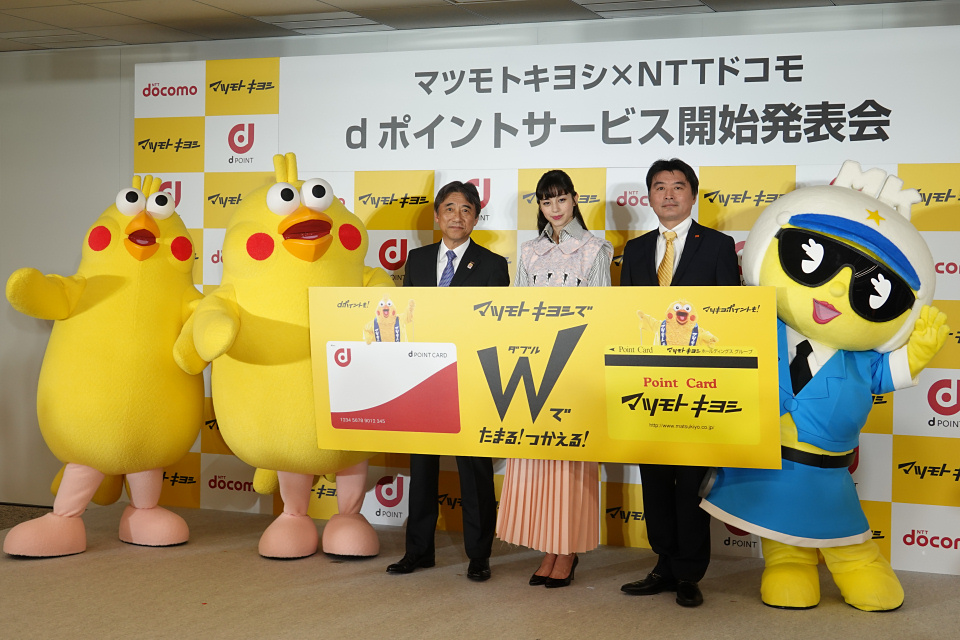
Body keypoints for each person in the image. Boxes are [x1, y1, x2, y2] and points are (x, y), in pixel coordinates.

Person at [618, 158, 740, 607]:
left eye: (678, 186)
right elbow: (626, 319)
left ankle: (689, 573)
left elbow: (730, 318)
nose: (668, 194)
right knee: (654, 480)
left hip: (698, 387)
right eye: (659, 187)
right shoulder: (634, 250)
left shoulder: (718, 246)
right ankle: (663, 565)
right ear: (649, 196)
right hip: (648, 386)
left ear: (693, 194)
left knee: (690, 482)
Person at [385, 180, 509, 582]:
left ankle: (479, 555)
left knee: (474, 473)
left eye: (466, 209)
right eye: (450, 208)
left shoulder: (493, 265)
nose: (458, 216)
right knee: (422, 469)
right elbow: (407, 318)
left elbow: (496, 328)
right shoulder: (417, 259)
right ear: (438, 216)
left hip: (470, 379)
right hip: (423, 379)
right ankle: (418, 551)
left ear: (476, 218)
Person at [496, 169, 613, 588]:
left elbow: (601, 312)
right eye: (547, 201)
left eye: (561, 199)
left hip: (576, 365)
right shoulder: (529, 251)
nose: (555, 208)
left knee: (570, 462)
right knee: (537, 460)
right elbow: (516, 310)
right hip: (534, 367)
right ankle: (548, 546)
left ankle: (567, 550)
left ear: (575, 200)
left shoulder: (596, 249)